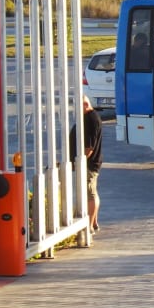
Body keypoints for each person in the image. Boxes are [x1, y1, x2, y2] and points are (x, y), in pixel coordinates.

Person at [69, 94, 103, 233]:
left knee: (90, 195)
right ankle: (94, 222)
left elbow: (89, 147)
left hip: (88, 164)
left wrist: (79, 161)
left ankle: (88, 226)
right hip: (92, 162)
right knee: (93, 193)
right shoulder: (92, 117)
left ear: (85, 104)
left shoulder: (89, 120)